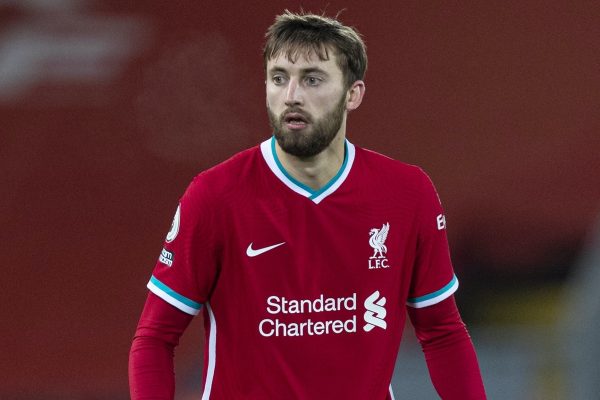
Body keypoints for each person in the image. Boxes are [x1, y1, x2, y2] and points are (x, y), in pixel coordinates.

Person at [129, 10, 487, 400]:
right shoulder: (215, 196)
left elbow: (442, 332)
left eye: (312, 79)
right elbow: (154, 338)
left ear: (354, 94)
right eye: (279, 78)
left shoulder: (408, 193)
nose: (292, 96)